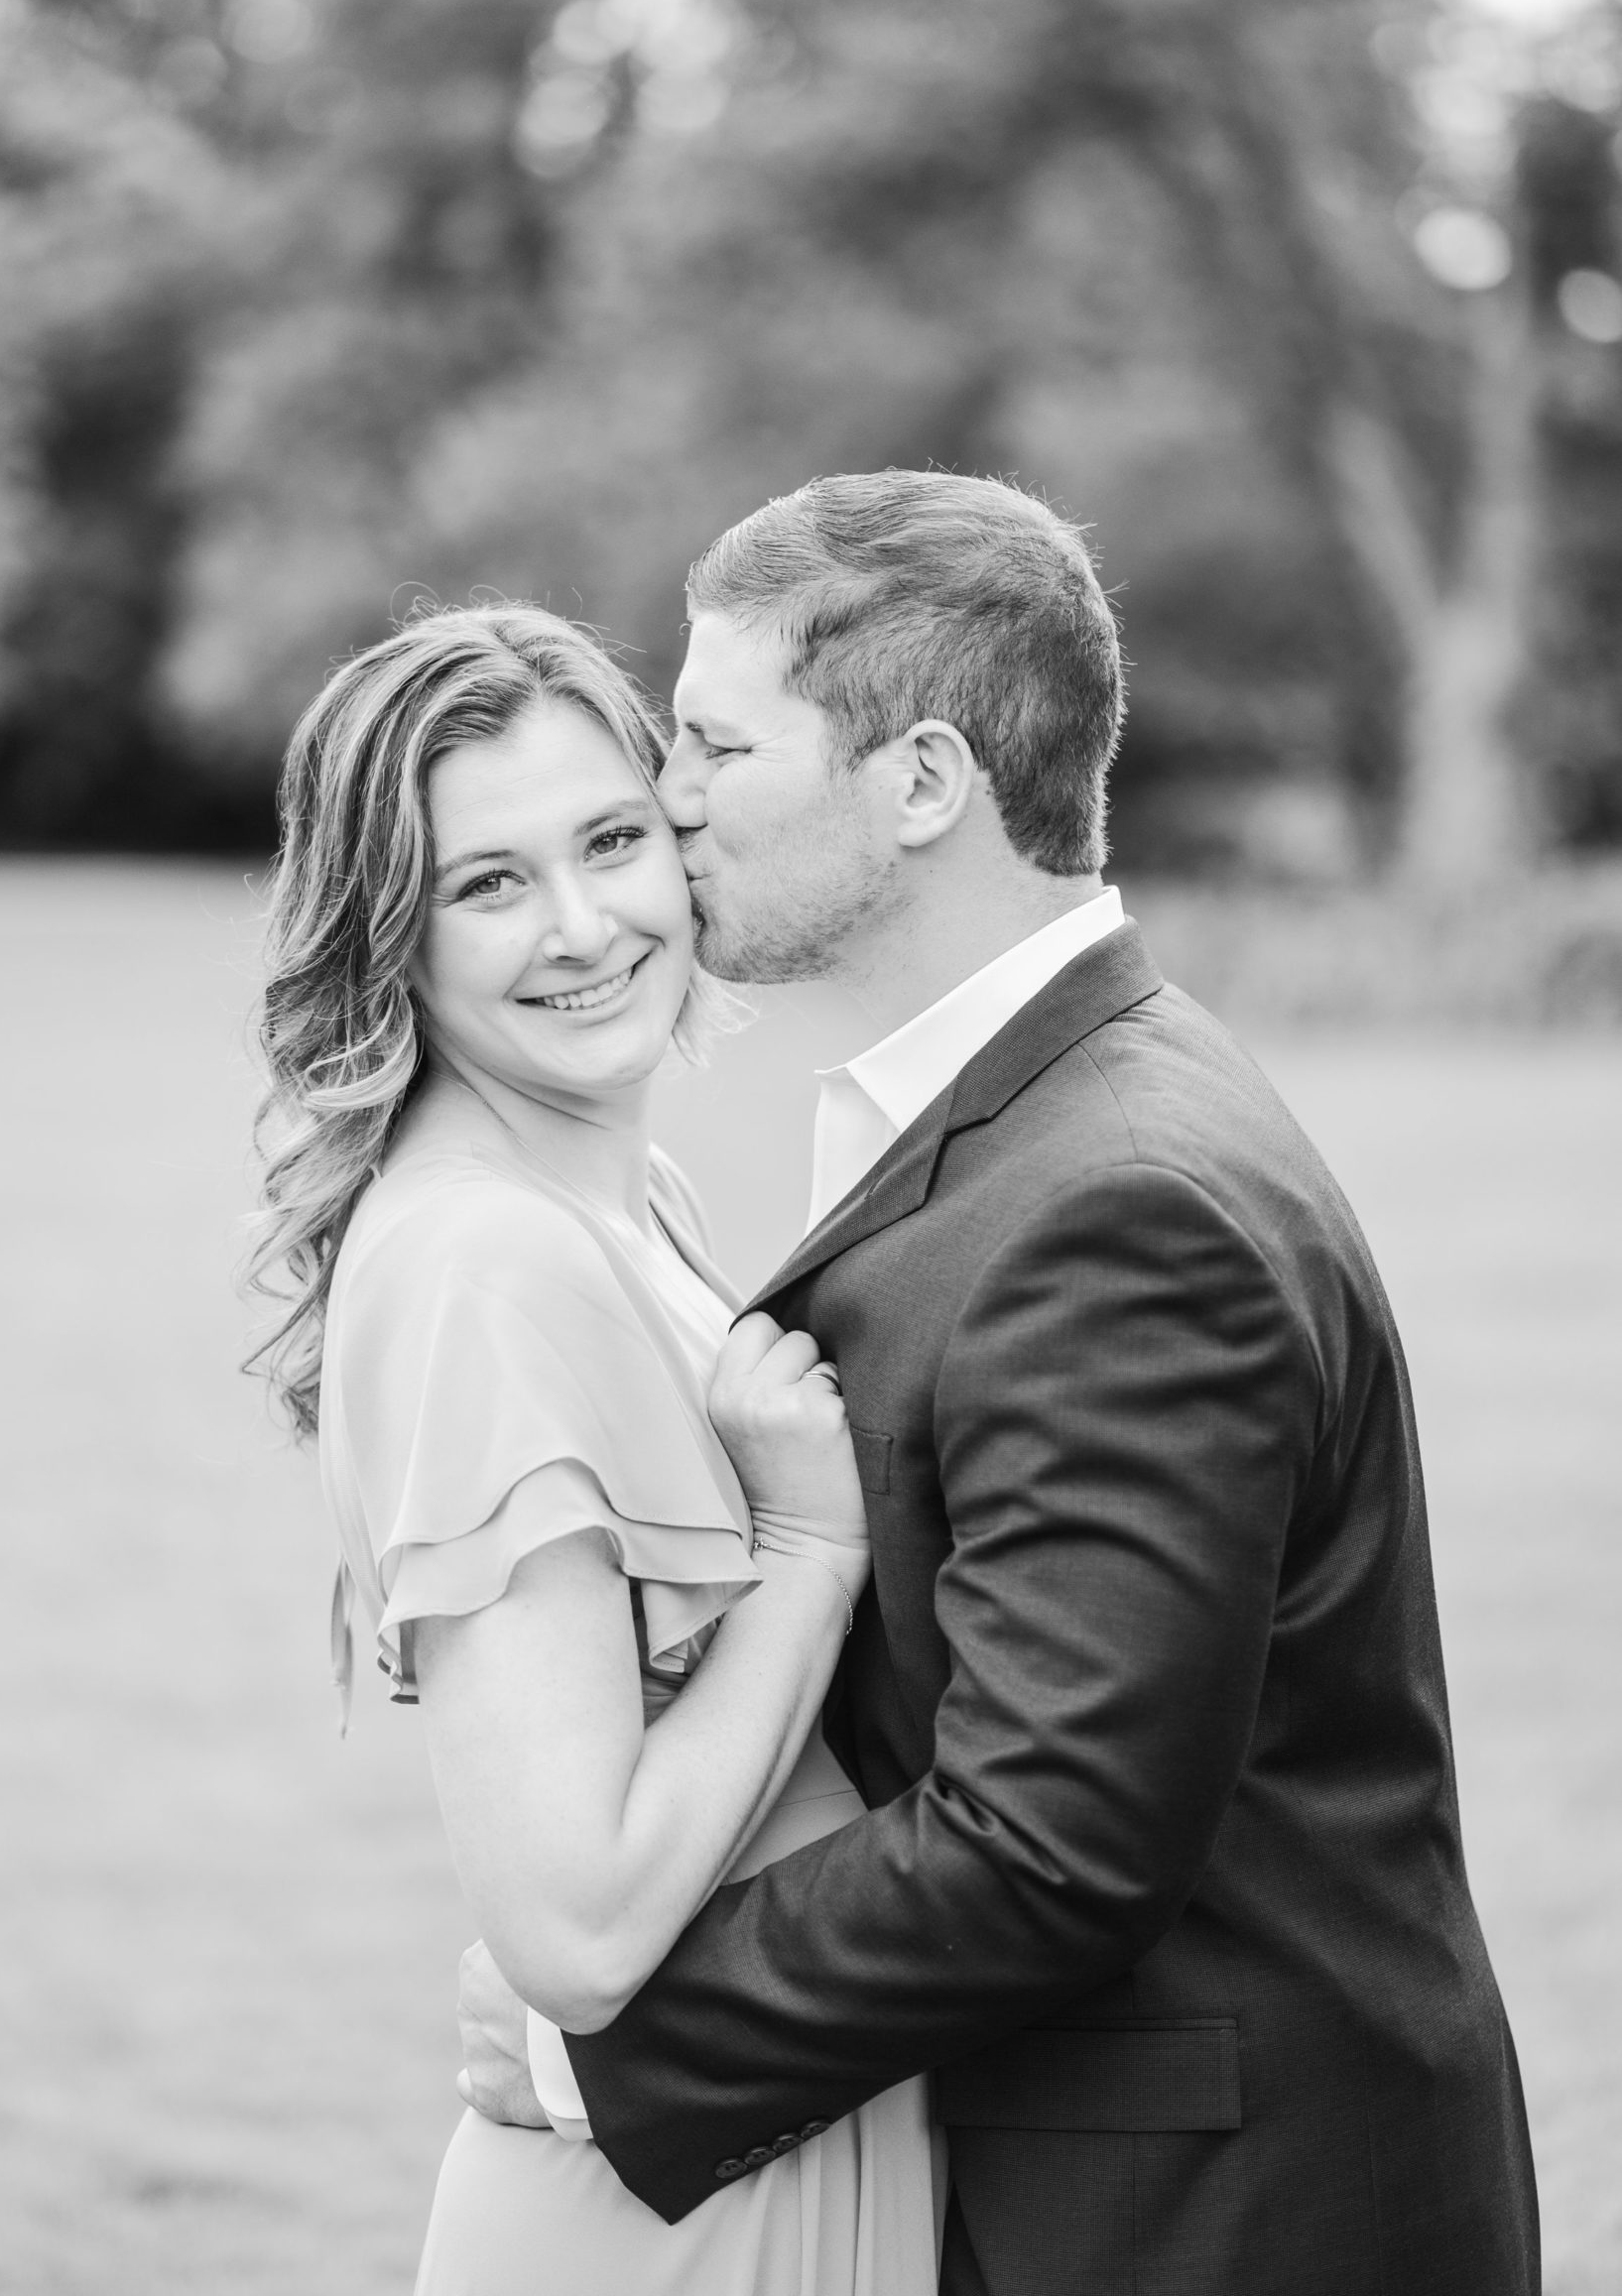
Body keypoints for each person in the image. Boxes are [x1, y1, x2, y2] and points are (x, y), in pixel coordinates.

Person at [458, 470, 1541, 2296]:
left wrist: (604, 2055)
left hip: (1211, 2228)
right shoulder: (1032, 1114)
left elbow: (1054, 1838)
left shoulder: (1116, 1205)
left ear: (925, 783)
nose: (670, 799)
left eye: (717, 745)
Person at [245, 601, 941, 2294]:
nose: (584, 927)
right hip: (663, 2224)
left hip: (767, 2145)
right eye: (489, 884)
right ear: (388, 937)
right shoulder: (488, 1261)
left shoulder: (636, 1201)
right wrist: (811, 1554)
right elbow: (575, 1922)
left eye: (613, 841)